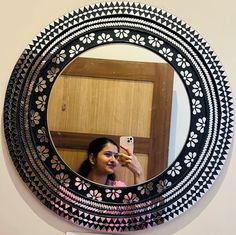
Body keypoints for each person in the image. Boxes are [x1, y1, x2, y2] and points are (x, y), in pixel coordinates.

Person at [78, 137, 144, 186]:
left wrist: (139, 173)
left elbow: (139, 204)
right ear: (92, 158)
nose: (113, 160)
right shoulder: (74, 187)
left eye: (116, 156)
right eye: (108, 154)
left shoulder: (118, 188)